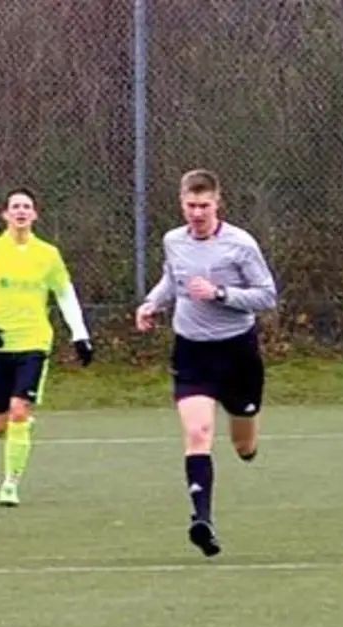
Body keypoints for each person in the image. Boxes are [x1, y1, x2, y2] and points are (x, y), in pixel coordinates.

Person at [135, 169, 278, 557]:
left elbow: (266, 296)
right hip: (191, 351)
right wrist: (151, 303)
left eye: (204, 206)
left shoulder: (240, 245)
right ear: (181, 203)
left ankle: (247, 439)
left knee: (243, 444)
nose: (197, 213)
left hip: (237, 353)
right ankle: (202, 520)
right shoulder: (173, 241)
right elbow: (171, 280)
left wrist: (219, 293)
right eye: (191, 205)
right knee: (198, 432)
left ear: (218, 204)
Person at [0, 188, 93, 507]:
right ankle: (19, 430)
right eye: (15, 206)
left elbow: (64, 293)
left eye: (27, 206)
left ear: (35, 215)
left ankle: (10, 484)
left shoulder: (48, 255)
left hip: (33, 344)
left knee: (19, 409)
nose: (21, 211)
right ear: (5, 214)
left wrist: (79, 335)